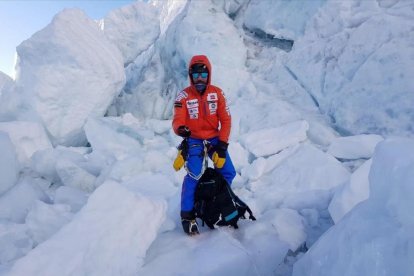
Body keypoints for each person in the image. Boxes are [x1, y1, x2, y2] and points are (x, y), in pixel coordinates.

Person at [172, 55, 236, 235]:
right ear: (190, 76)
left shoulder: (218, 94)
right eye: (196, 75)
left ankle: (217, 199)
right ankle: (187, 214)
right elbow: (177, 120)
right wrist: (181, 129)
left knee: (228, 171)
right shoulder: (183, 96)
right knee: (194, 174)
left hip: (214, 138)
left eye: (203, 74)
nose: (200, 79)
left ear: (209, 75)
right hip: (194, 140)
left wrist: (222, 146)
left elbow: (226, 120)